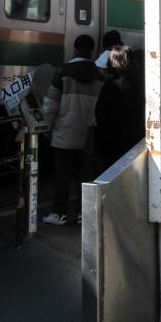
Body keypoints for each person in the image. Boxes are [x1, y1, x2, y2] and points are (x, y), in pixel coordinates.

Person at [42, 34, 104, 226]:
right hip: (88, 134)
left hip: (64, 132)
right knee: (85, 177)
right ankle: (82, 214)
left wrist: (45, 127)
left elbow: (51, 104)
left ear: (75, 49)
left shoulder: (62, 72)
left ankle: (59, 214)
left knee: (62, 176)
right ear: (92, 51)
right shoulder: (100, 76)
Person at [94, 44, 139, 171]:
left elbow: (99, 113)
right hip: (132, 139)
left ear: (112, 62)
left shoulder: (108, 87)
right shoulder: (137, 86)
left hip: (110, 140)